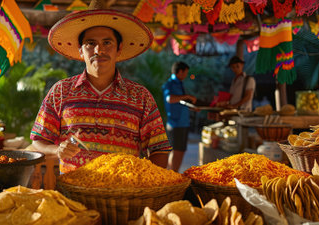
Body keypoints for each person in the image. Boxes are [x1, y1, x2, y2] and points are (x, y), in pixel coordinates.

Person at [30, 0, 172, 174]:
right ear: (81, 50)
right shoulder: (61, 91)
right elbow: (38, 141)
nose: (99, 50)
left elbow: (160, 149)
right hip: (72, 195)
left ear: (119, 49)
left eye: (107, 43)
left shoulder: (140, 96)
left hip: (124, 195)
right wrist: (56, 150)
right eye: (90, 43)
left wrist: (143, 179)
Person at [162, 62, 197, 172]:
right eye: (185, 73)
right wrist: (186, 96)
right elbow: (170, 99)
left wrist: (191, 106)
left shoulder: (179, 84)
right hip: (176, 123)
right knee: (176, 151)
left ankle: (172, 175)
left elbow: (180, 102)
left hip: (182, 123)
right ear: (180, 71)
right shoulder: (170, 84)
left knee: (179, 151)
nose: (186, 75)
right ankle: (172, 176)